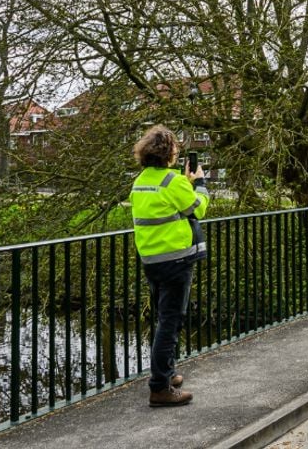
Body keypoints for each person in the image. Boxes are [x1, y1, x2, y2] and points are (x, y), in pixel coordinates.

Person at [130, 125, 210, 406]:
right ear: (168, 153)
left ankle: (168, 372)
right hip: (176, 260)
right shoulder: (172, 181)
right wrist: (198, 183)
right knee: (171, 321)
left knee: (164, 318)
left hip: (151, 259)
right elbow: (198, 209)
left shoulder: (141, 180)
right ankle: (160, 387)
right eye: (175, 147)